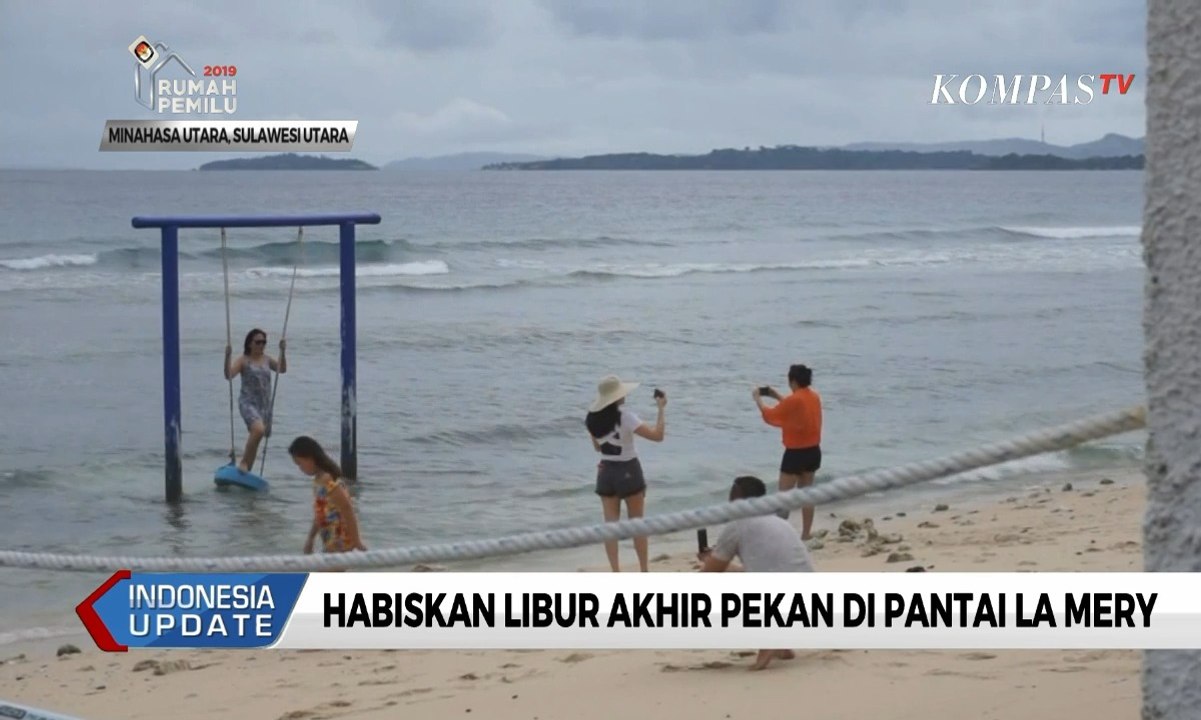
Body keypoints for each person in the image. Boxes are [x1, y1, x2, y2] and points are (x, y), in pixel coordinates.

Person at [699, 475, 815, 671]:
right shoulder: (777, 522)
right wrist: (716, 562)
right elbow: (765, 568)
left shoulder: (737, 525)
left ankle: (767, 642)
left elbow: (709, 574)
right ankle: (782, 645)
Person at [585, 375, 666, 572]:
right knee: (637, 524)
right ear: (617, 397)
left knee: (610, 527)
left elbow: (597, 447)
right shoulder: (626, 416)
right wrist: (661, 409)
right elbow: (657, 436)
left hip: (606, 472)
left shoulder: (591, 419)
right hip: (628, 470)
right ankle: (644, 571)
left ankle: (616, 572)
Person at [753, 363, 822, 539]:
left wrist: (758, 399)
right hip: (813, 451)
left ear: (792, 381)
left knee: (784, 497)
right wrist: (776, 395)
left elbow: (770, 415)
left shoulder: (794, 400)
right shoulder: (813, 396)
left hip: (795, 454)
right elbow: (795, 409)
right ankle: (806, 533)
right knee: (807, 494)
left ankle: (779, 535)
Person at [288, 436, 366, 555]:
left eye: (299, 463)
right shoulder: (318, 481)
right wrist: (311, 538)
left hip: (340, 542)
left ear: (310, 457)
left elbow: (347, 508)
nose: (300, 468)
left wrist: (357, 542)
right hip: (330, 542)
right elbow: (320, 512)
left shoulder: (327, 479)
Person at [224, 328, 286, 472]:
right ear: (250, 343)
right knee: (258, 430)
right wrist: (227, 357)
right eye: (258, 342)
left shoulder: (266, 359)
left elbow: (281, 369)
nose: (261, 345)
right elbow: (229, 375)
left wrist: (282, 351)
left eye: (264, 342)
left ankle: (246, 472)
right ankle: (244, 463)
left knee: (257, 436)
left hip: (264, 406)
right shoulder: (243, 360)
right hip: (248, 403)